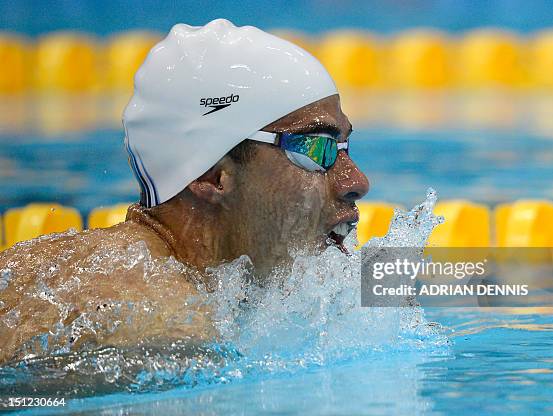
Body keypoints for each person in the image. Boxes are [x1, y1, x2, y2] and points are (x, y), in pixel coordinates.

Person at [0, 19, 369, 363]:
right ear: (211, 176)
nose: (357, 182)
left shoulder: (232, 278)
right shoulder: (162, 330)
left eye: (343, 147)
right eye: (314, 148)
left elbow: (397, 287)